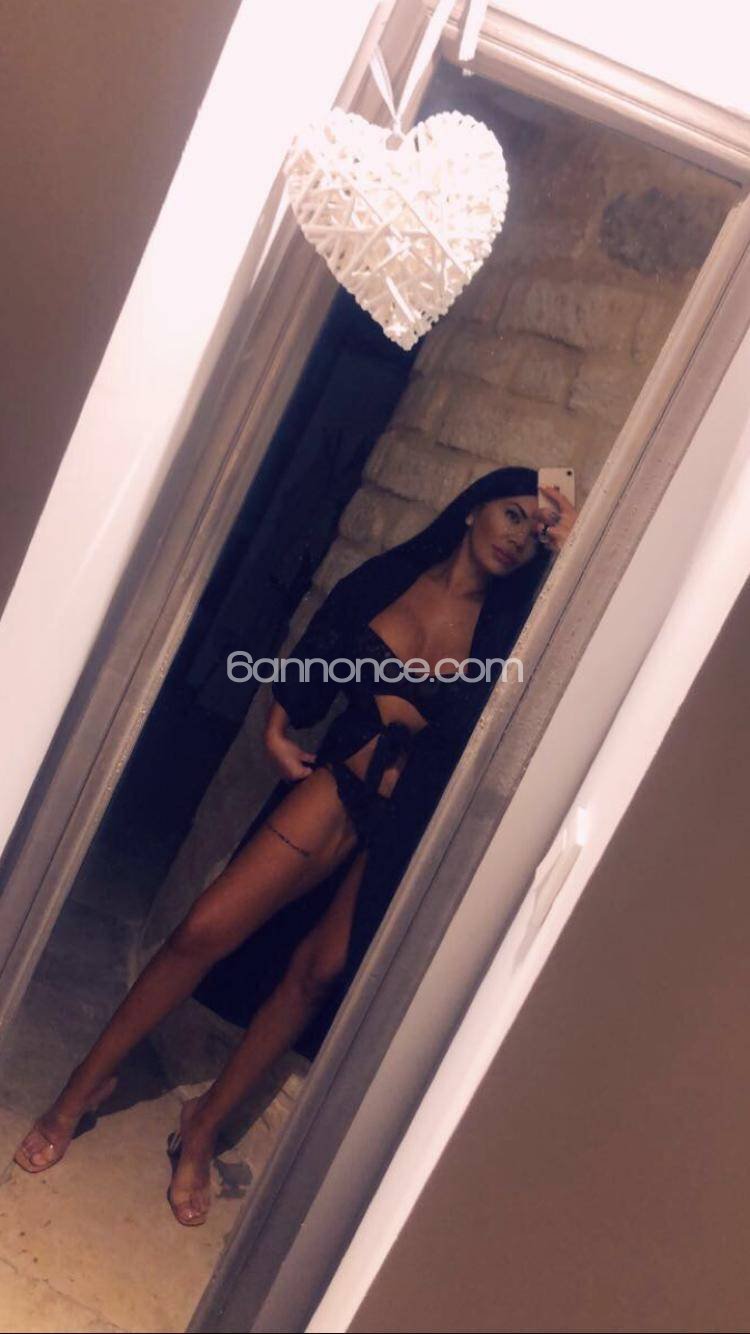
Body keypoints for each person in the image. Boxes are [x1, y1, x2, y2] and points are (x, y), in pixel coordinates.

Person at [13, 466, 576, 1225]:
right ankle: (82, 1087)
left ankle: (202, 1126)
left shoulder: (510, 629)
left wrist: (567, 546)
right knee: (203, 930)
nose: (518, 537)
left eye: (534, 532)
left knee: (317, 979)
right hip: (337, 786)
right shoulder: (392, 577)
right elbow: (317, 651)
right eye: (512, 513)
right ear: (474, 507)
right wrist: (277, 729)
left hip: (411, 822)